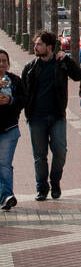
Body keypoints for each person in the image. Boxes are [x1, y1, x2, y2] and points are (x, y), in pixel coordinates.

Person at [20, 30, 81, 200]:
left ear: (49, 47)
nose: (35, 47)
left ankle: (55, 182)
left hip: (57, 117)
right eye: (35, 44)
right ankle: (41, 188)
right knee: (39, 156)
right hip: (36, 118)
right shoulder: (30, 67)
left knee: (60, 152)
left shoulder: (60, 64)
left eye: (39, 44)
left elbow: (78, 76)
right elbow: (23, 92)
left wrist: (67, 59)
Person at [0, 48, 23, 211]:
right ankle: (5, 195)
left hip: (9, 129)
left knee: (4, 164)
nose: (1, 64)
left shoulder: (15, 80)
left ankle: (6, 196)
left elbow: (24, 100)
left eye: (4, 61)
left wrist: (11, 100)